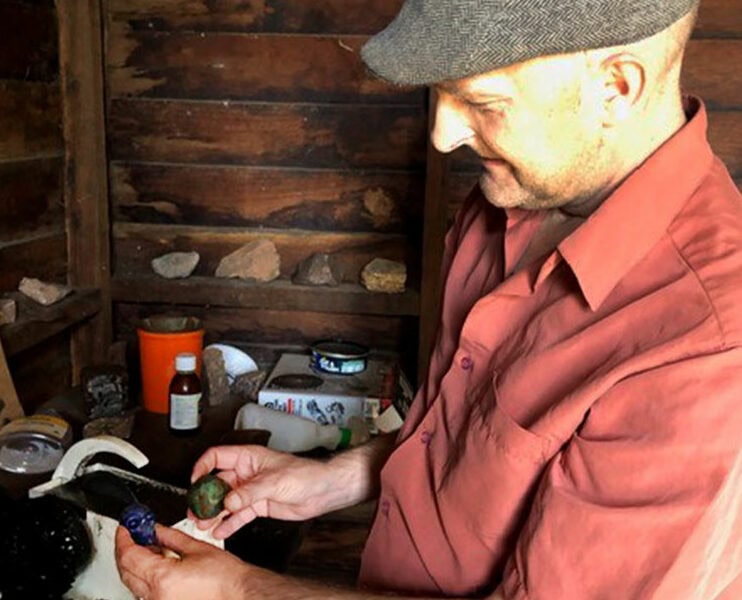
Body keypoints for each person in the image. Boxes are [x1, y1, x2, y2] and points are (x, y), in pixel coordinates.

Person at [115, 0, 742, 598]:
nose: (442, 136)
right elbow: (467, 442)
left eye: (481, 99)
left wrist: (243, 592)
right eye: (438, 93)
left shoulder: (709, 343)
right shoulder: (502, 201)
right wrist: (336, 478)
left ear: (617, 87)